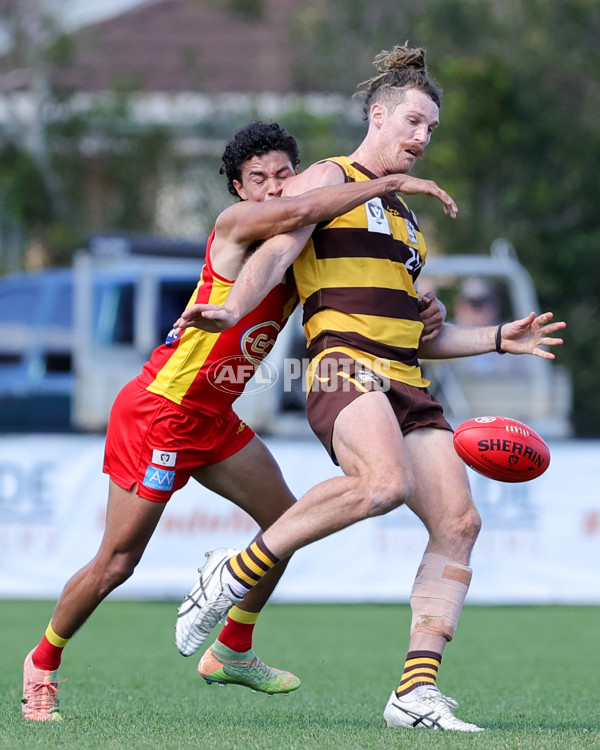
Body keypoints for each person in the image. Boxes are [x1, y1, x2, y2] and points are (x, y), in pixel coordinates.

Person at [173, 45, 566, 733]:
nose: (422, 138)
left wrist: (501, 337)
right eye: (413, 122)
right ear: (378, 115)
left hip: (409, 380)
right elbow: (276, 251)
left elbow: (422, 333)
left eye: (431, 130)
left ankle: (414, 694)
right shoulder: (329, 177)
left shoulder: (409, 223)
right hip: (344, 367)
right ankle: (232, 571)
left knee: (460, 524)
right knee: (381, 484)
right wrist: (234, 307)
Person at [21, 120, 457, 721]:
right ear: (237, 188)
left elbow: (360, 285)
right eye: (260, 180)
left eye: (285, 175)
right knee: (118, 562)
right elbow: (308, 206)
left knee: (286, 525)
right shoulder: (236, 228)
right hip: (161, 413)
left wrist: (422, 304)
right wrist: (389, 180)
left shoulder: (298, 242)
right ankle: (41, 663)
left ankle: (232, 648)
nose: (276, 189)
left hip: (216, 420)